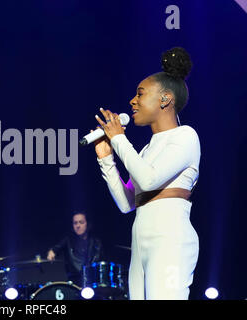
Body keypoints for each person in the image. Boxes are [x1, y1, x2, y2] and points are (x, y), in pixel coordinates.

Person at [93, 47, 200, 300]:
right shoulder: (144, 151)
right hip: (141, 243)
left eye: (140, 94)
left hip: (170, 240)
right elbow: (126, 203)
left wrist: (119, 140)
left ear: (165, 99)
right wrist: (107, 160)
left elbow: (149, 179)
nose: (132, 101)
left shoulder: (185, 136)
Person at [47, 212, 104, 287]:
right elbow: (56, 248)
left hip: (93, 282)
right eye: (75, 223)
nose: (78, 226)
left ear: (88, 224)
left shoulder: (96, 242)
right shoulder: (68, 240)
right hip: (74, 283)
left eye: (81, 222)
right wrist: (52, 252)